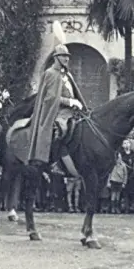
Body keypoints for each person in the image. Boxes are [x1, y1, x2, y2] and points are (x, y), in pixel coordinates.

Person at [27, 45, 88, 177]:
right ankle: (54, 163)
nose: (67, 59)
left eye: (67, 56)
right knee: (61, 130)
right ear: (56, 58)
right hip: (57, 112)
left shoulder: (67, 74)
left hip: (72, 111)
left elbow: (74, 93)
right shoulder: (50, 73)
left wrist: (78, 103)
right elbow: (50, 98)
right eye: (63, 56)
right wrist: (70, 102)